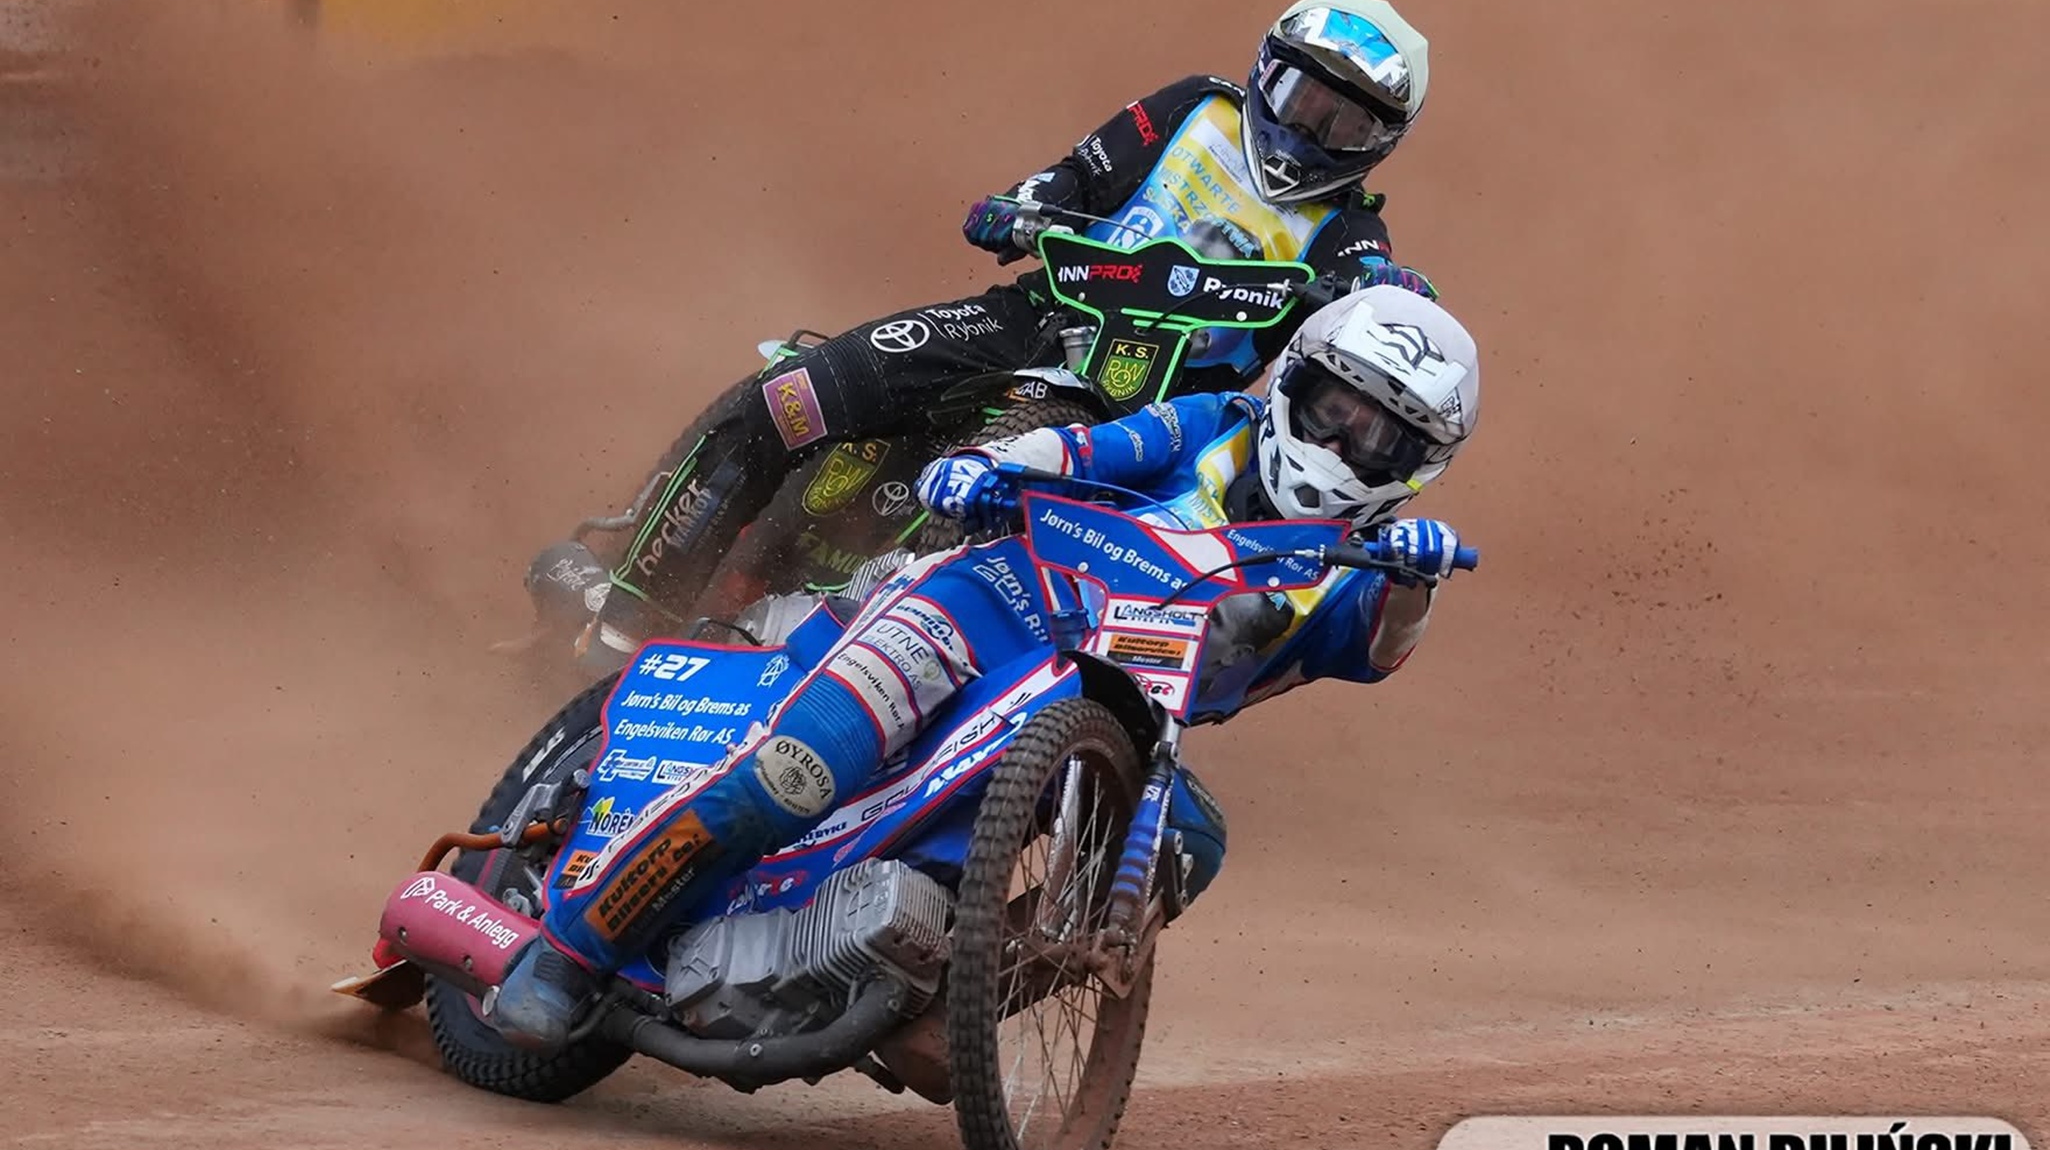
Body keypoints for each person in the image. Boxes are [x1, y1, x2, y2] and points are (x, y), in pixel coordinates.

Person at [488, 283, 1481, 1052]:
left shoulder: (1367, 570)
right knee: (800, 767)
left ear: (1419, 463)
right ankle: (571, 951)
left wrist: (1418, 580)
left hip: (1108, 718)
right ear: (1292, 383)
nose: (1343, 442)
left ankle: (953, 1003)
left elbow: (1383, 648)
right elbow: (1090, 446)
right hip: (987, 605)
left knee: (1191, 841)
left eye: (1379, 435)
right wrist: (992, 466)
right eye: (1334, 407)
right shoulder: (1211, 424)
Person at [527, 0, 1441, 661]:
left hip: (1151, 419)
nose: (1311, 130)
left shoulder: (1350, 232)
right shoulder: (1196, 108)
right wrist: (1020, 207)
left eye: (1345, 124)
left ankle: (837, 668)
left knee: (985, 519)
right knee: (791, 394)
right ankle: (626, 619)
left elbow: (1377, 311)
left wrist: (1393, 289)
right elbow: (1071, 178)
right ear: (1266, 72)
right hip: (1027, 320)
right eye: (1303, 98)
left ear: (1382, 143)